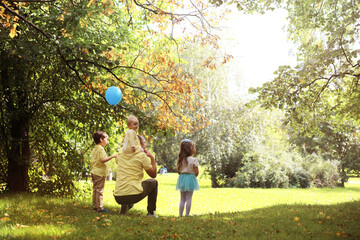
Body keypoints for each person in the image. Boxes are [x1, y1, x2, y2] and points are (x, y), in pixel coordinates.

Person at [114, 119, 158, 217]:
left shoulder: (120, 155)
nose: (145, 145)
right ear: (138, 143)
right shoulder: (141, 156)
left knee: (127, 182)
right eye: (144, 143)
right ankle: (150, 213)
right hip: (134, 195)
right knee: (153, 182)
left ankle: (125, 206)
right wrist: (152, 158)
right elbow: (153, 175)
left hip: (118, 197)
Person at [90, 131, 117, 212]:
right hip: (99, 173)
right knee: (99, 190)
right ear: (101, 139)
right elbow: (102, 160)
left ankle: (95, 206)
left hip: (94, 171)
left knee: (95, 189)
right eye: (106, 139)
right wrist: (112, 156)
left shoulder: (95, 148)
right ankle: (100, 207)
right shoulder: (101, 149)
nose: (107, 141)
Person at [176, 139, 199, 217]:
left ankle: (180, 214)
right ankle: (187, 214)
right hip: (190, 178)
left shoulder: (180, 160)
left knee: (182, 198)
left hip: (182, 178)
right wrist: (192, 176)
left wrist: (183, 175)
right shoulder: (194, 160)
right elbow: (196, 172)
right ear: (191, 149)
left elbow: (178, 171)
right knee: (189, 198)